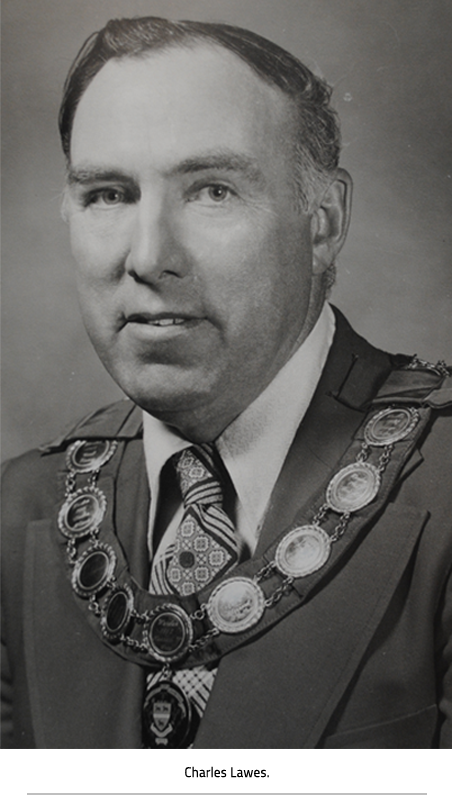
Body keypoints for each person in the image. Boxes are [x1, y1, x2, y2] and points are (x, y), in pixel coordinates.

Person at [1, 15, 452, 750]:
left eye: (212, 191)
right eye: (109, 194)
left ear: (325, 220)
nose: (148, 258)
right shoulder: (16, 513)